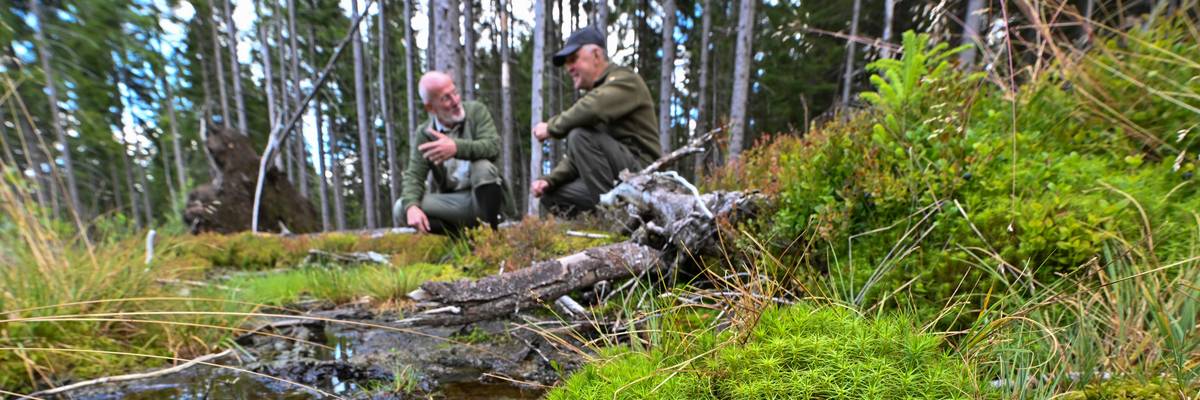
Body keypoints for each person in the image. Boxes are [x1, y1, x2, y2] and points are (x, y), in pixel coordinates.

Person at [531, 26, 662, 217]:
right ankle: (599, 223)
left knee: (579, 136)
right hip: (617, 177)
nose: (569, 68)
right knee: (552, 196)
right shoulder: (597, 98)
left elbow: (592, 108)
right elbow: (577, 159)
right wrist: (549, 181)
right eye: (566, 63)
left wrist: (551, 127)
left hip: (643, 176)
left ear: (596, 55)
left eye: (573, 59)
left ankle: (617, 218)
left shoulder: (625, 80)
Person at [396, 71, 515, 234]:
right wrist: (411, 207)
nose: (455, 101)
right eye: (446, 98)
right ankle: (464, 237)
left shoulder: (476, 111)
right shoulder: (425, 133)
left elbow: (492, 146)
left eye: (455, 92)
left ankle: (491, 236)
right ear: (430, 107)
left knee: (483, 168)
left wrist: (456, 148)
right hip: (456, 203)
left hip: (486, 199)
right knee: (402, 208)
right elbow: (414, 176)